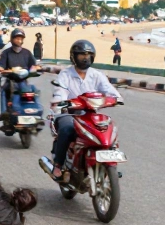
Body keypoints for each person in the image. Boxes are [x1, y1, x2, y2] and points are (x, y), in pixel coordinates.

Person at [47, 40, 120, 181]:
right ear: (74, 57)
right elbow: (60, 92)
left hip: (89, 114)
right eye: (81, 55)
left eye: (88, 55)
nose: (85, 58)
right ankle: (58, 165)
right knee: (67, 129)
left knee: (107, 128)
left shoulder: (97, 75)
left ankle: (110, 164)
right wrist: (61, 102)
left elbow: (111, 92)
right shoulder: (65, 74)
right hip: (68, 113)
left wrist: (115, 99)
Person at [0, 28, 38, 115]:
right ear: (12, 39)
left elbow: (34, 65)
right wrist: (2, 69)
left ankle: (36, 112)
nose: (19, 40)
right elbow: (0, 66)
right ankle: (4, 112)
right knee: (4, 90)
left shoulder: (27, 53)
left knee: (34, 91)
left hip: (24, 80)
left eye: (21, 39)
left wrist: (37, 69)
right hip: (11, 80)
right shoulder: (6, 53)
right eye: (17, 38)